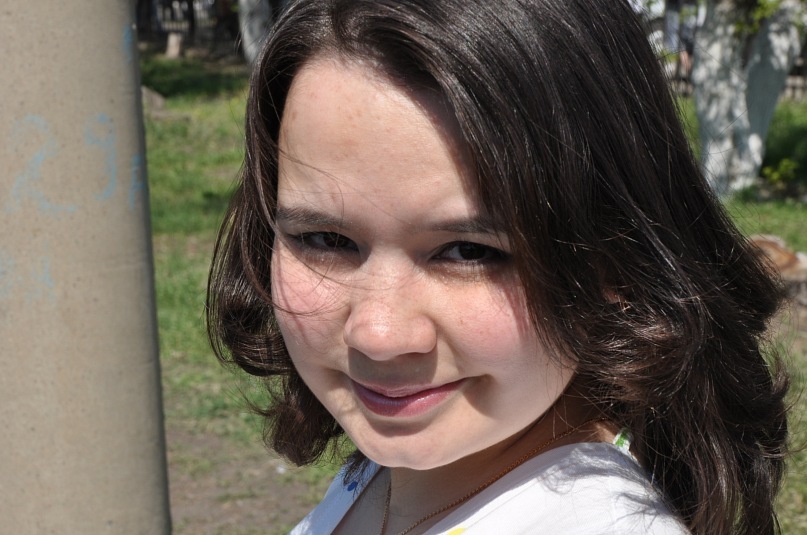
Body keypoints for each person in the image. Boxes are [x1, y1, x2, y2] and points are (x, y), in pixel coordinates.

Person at [206, 0, 791, 533]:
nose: (378, 335)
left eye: (469, 251)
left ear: (616, 259)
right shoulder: (409, 473)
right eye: (325, 240)